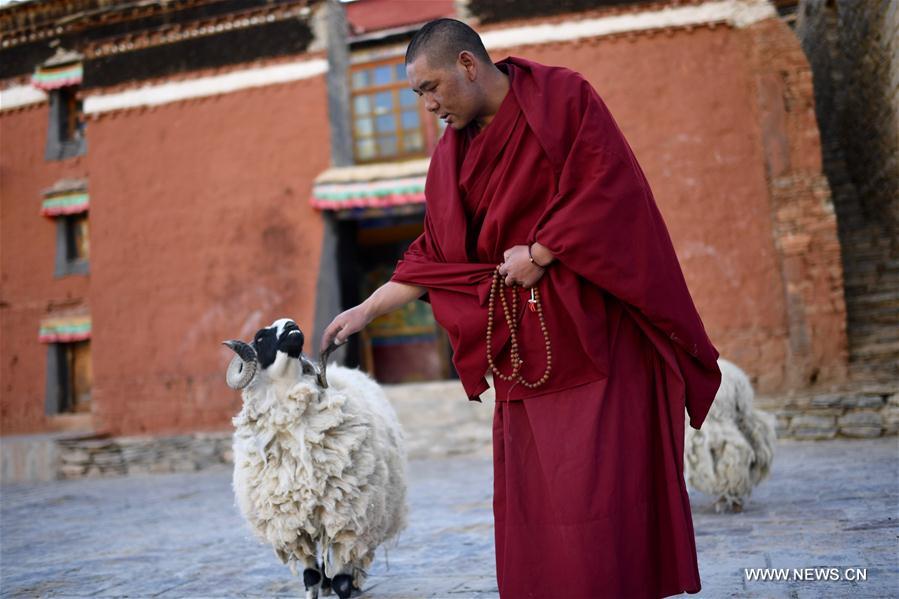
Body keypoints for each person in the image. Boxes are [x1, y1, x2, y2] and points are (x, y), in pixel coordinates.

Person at [322, 18, 722, 599]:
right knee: (543, 499)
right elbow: (432, 256)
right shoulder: (450, 160)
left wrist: (542, 249)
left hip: (596, 337)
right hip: (520, 351)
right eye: (417, 95)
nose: (429, 105)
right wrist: (365, 310)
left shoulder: (562, 99)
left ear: (467, 64)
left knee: (603, 488)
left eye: (431, 87)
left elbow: (611, 187)